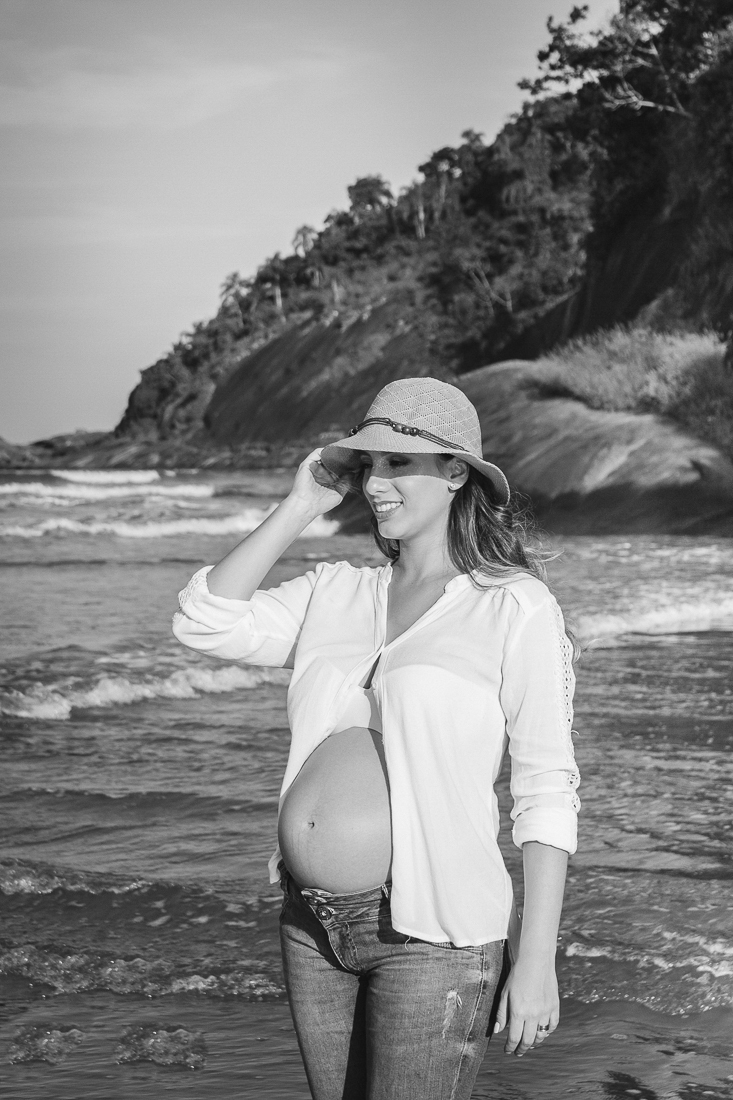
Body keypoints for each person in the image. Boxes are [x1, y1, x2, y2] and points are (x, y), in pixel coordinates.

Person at [173, 377, 581, 1100]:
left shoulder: (513, 605)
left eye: (397, 464)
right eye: (367, 464)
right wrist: (300, 505)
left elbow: (546, 788)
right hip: (310, 925)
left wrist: (538, 961)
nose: (373, 484)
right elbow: (205, 621)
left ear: (455, 474)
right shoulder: (336, 590)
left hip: (435, 938)